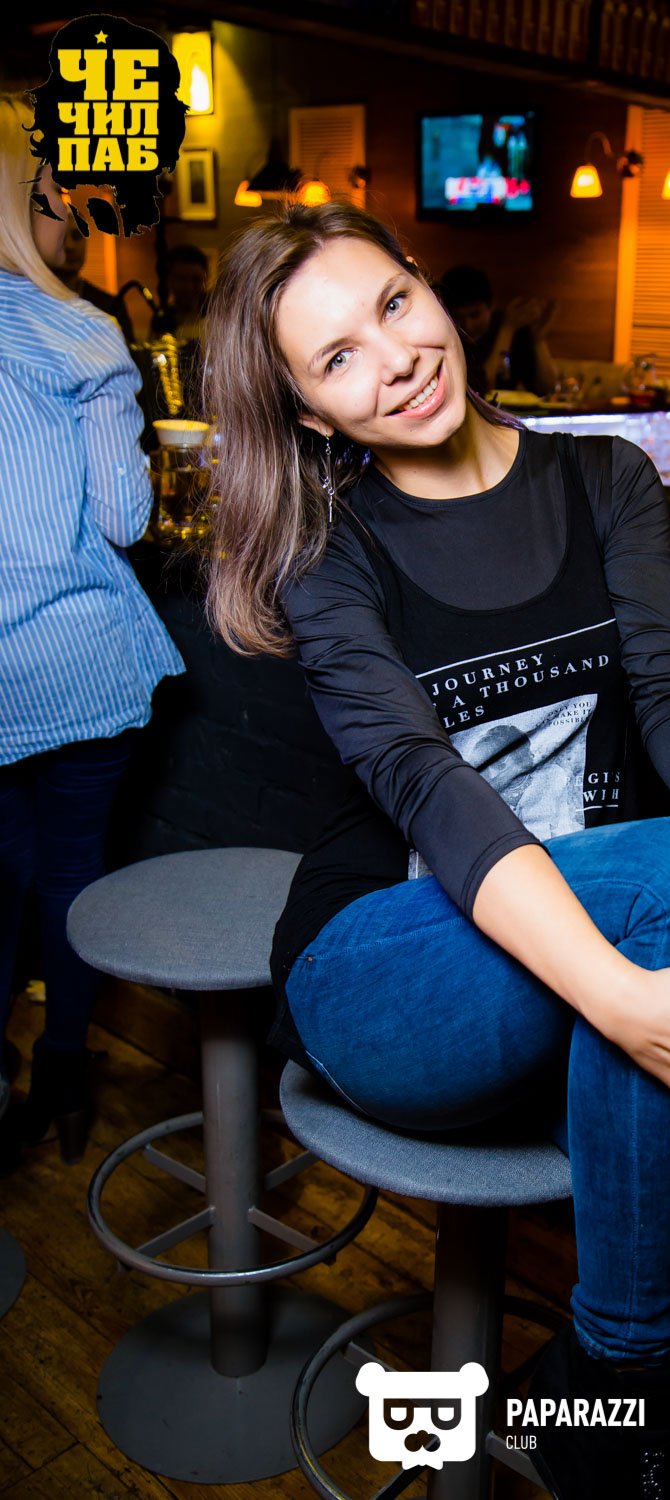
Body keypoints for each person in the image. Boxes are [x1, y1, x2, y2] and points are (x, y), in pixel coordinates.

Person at [203, 202, 670, 1499]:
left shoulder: (604, 479)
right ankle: (616, 1368)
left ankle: (596, 1400)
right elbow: (423, 781)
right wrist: (635, 999)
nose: (394, 358)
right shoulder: (329, 551)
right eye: (336, 358)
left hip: (616, 975)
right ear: (313, 416)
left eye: (393, 304)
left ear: (431, 288)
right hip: (395, 974)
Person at [0, 94, 185, 1164]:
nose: (73, 209)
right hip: (73, 664)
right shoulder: (80, 332)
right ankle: (64, 1071)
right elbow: (122, 517)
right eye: (58, 192)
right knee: (71, 875)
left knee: (2, 878)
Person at [439, 262, 557, 397]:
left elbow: (547, 389)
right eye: (457, 316)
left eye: (475, 315)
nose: (467, 325)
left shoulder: (513, 326)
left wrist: (538, 340)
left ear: (491, 307)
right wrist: (507, 330)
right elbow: (480, 391)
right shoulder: (446, 338)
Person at [54, 219, 135, 344]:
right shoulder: (30, 302)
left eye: (77, 237)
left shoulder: (111, 307)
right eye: (60, 237)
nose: (70, 246)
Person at [152, 243, 209, 343]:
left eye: (196, 279)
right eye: (181, 279)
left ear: (205, 279)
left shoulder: (218, 314)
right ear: (169, 280)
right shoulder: (162, 320)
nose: (189, 287)